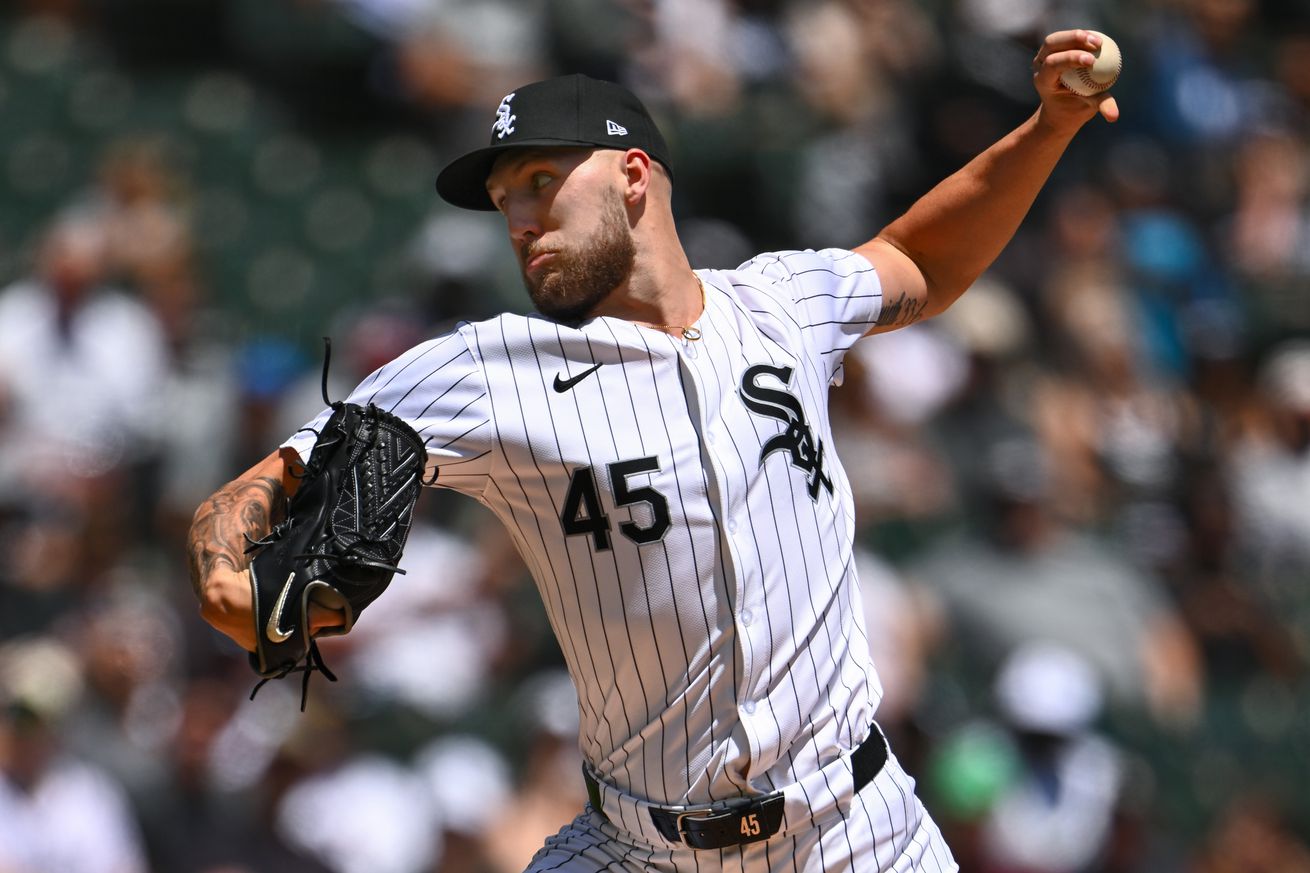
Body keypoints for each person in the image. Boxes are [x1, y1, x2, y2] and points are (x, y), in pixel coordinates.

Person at [188, 30, 1118, 872]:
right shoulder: (479, 369)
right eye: (507, 200)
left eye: (542, 182)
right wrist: (228, 575)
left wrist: (1048, 126)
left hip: (858, 832)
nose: (518, 220)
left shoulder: (781, 306)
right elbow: (247, 495)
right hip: (640, 849)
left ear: (633, 175)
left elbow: (921, 262)